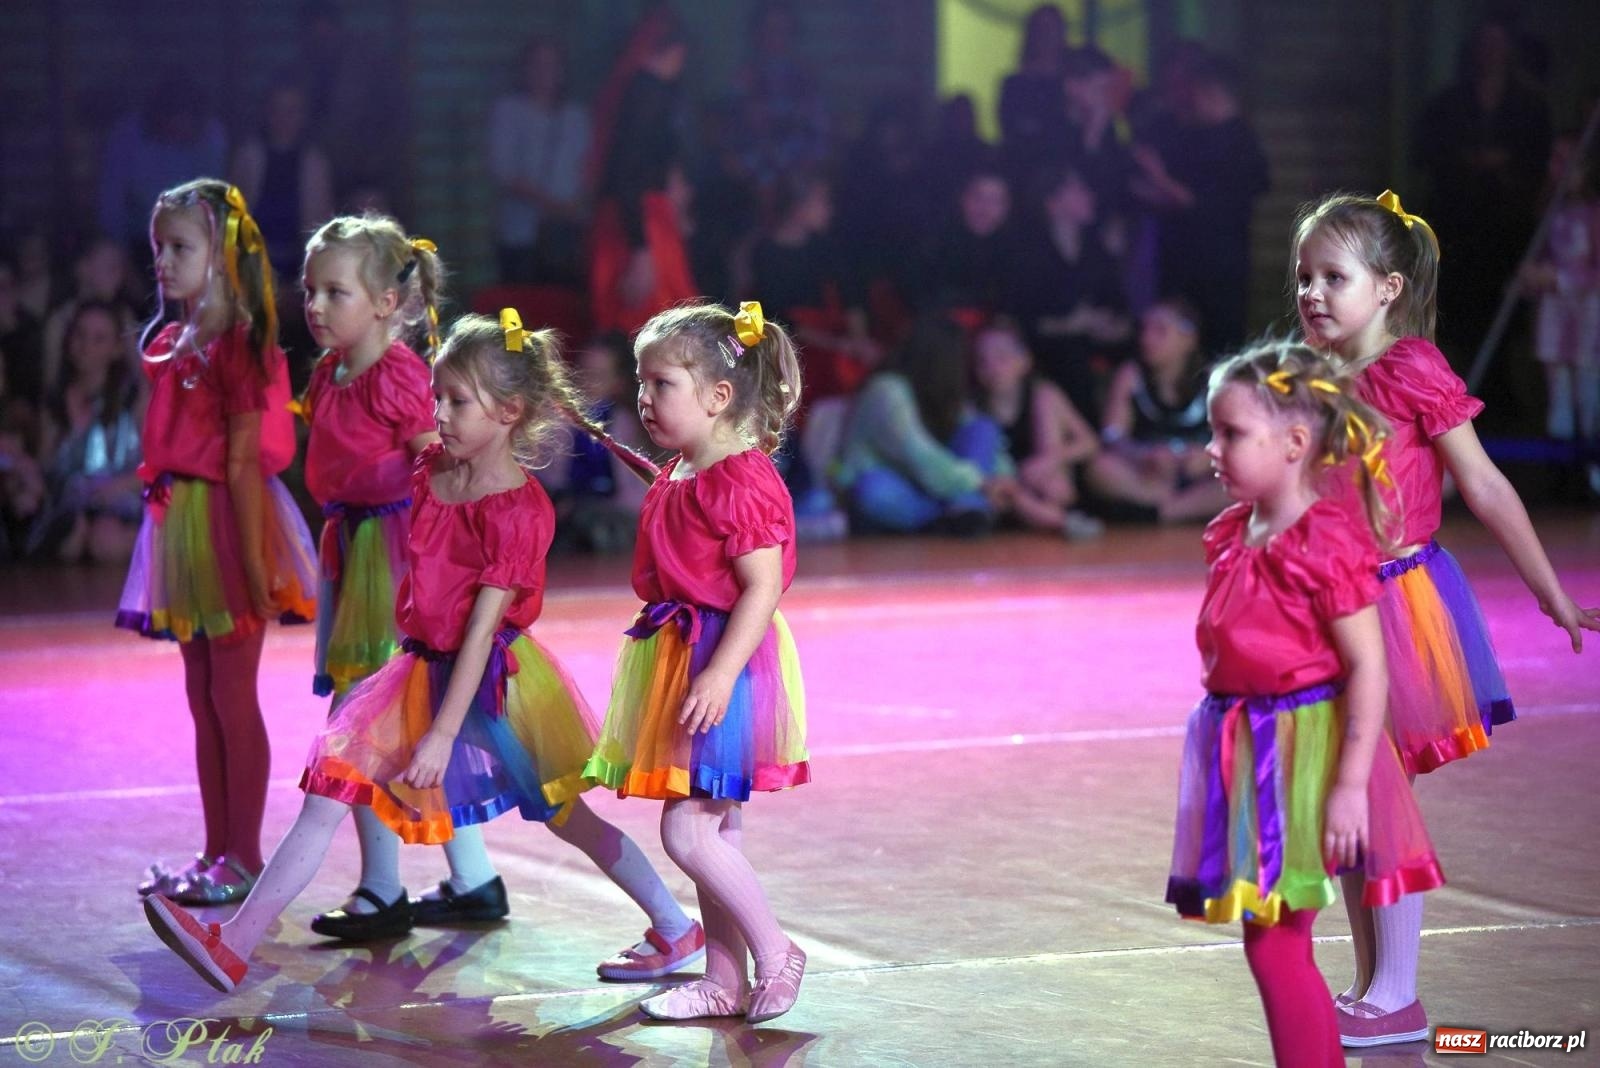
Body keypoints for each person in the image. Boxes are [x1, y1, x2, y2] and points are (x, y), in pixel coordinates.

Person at [143, 310, 704, 992]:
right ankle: (233, 944)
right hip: (419, 667)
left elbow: (479, 632)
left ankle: (675, 926)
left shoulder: (520, 510)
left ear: (510, 410)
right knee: (329, 786)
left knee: (566, 816)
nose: (437, 412)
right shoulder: (433, 470)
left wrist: (442, 732)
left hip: (493, 684)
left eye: (456, 401)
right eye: (437, 397)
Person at [1291, 189, 1599, 1046]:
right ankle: (1370, 986)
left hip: (1397, 608)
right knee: (1348, 799)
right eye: (1304, 276)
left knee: (1376, 791)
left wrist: (1551, 592)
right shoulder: (1312, 378)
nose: (1312, 293)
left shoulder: (1412, 368)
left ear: (1387, 288)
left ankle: (1396, 995)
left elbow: (1486, 484)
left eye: (1334, 277)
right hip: (1334, 609)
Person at [1167, 340, 1446, 1067]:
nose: (1211, 449)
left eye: (1230, 434)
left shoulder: (1321, 541)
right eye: (1212, 431)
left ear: (1295, 443)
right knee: (1274, 942)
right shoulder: (1232, 532)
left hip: (1302, 754)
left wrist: (1352, 786)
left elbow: (1368, 668)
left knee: (1276, 941)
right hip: (1252, 747)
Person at [582, 301, 810, 1023]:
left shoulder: (739, 479)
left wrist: (718, 672)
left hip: (724, 662)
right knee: (716, 833)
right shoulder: (682, 471)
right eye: (641, 384)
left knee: (687, 830)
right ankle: (723, 980)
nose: (645, 399)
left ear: (718, 397)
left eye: (663, 384)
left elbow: (762, 586)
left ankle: (777, 954)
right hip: (683, 656)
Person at [119, 179, 318, 905]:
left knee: (232, 694)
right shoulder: (177, 342)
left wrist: (259, 562)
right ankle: (214, 852)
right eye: (158, 250)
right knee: (202, 695)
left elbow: (241, 462)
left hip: (230, 530)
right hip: (184, 525)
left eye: (180, 248)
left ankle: (244, 855)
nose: (163, 264)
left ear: (223, 255)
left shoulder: (242, 345)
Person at [294, 214, 452, 940]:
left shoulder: (399, 375)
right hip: (349, 545)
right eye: (311, 291)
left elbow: (435, 464)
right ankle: (473, 877)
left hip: (388, 554)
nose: (316, 307)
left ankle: (383, 888)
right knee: (393, 719)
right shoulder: (330, 371)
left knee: (365, 718)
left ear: (386, 303)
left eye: (335, 293)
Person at [834, 313, 1013, 536]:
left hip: (936, 487)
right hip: (902, 488)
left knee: (982, 428)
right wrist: (981, 485)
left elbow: (981, 440)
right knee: (873, 490)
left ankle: (964, 510)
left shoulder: (946, 395)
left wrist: (1005, 480)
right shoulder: (886, 391)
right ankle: (956, 514)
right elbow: (919, 455)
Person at [1087, 297, 1227, 523]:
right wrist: (1144, 455)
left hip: (1199, 475)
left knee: (1248, 474)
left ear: (1188, 339)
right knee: (1100, 468)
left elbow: (1236, 436)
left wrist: (1207, 456)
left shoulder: (1214, 379)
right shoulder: (1131, 376)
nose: (1147, 339)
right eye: (1145, 330)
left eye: (1160, 331)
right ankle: (1171, 507)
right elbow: (1112, 436)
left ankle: (1161, 512)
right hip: (1148, 477)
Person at [27, 300, 145, 562]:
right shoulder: (55, 401)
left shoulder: (133, 398)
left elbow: (155, 467)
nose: (86, 346)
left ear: (116, 349)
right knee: (72, 538)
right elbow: (46, 468)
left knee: (105, 539)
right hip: (72, 507)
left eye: (99, 339)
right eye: (80, 335)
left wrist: (114, 488)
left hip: (120, 500)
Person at [970, 318, 1102, 538]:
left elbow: (1090, 442)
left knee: (1055, 484)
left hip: (1042, 485)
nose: (993, 367)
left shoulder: (1042, 394)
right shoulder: (974, 408)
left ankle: (1053, 516)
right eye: (983, 360)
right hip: (1002, 491)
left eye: (1002, 357)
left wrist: (1049, 459)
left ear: (1024, 361)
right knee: (1003, 492)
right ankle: (1061, 522)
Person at [486, 37, 591, 285]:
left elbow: (588, 167)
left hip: (569, 234)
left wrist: (578, 209)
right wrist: (556, 207)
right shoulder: (508, 111)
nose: (546, 73)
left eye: (553, 65)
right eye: (538, 65)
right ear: (524, 69)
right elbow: (504, 172)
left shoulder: (576, 116)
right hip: (520, 234)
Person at [1523, 133, 1600, 444]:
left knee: (1587, 384)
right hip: (1555, 312)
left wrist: (1560, 279)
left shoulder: (1594, 214)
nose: (1560, 169)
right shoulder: (1550, 213)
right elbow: (1541, 256)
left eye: (1568, 162)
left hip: (1588, 312)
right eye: (1555, 161)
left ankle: (1590, 461)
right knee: (1559, 388)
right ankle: (1562, 461)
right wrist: (1532, 277)